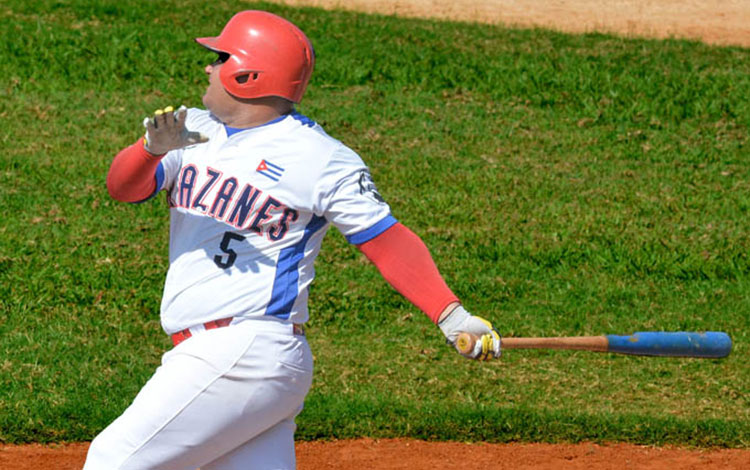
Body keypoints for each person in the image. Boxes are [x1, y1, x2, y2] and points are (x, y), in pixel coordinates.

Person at [84, 9, 501, 470]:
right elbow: (124, 189)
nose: (208, 66)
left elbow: (386, 239)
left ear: (247, 74)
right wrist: (150, 150)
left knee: (114, 460)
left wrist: (451, 313)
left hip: (242, 352)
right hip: (246, 362)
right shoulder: (193, 131)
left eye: (220, 57)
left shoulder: (320, 159)